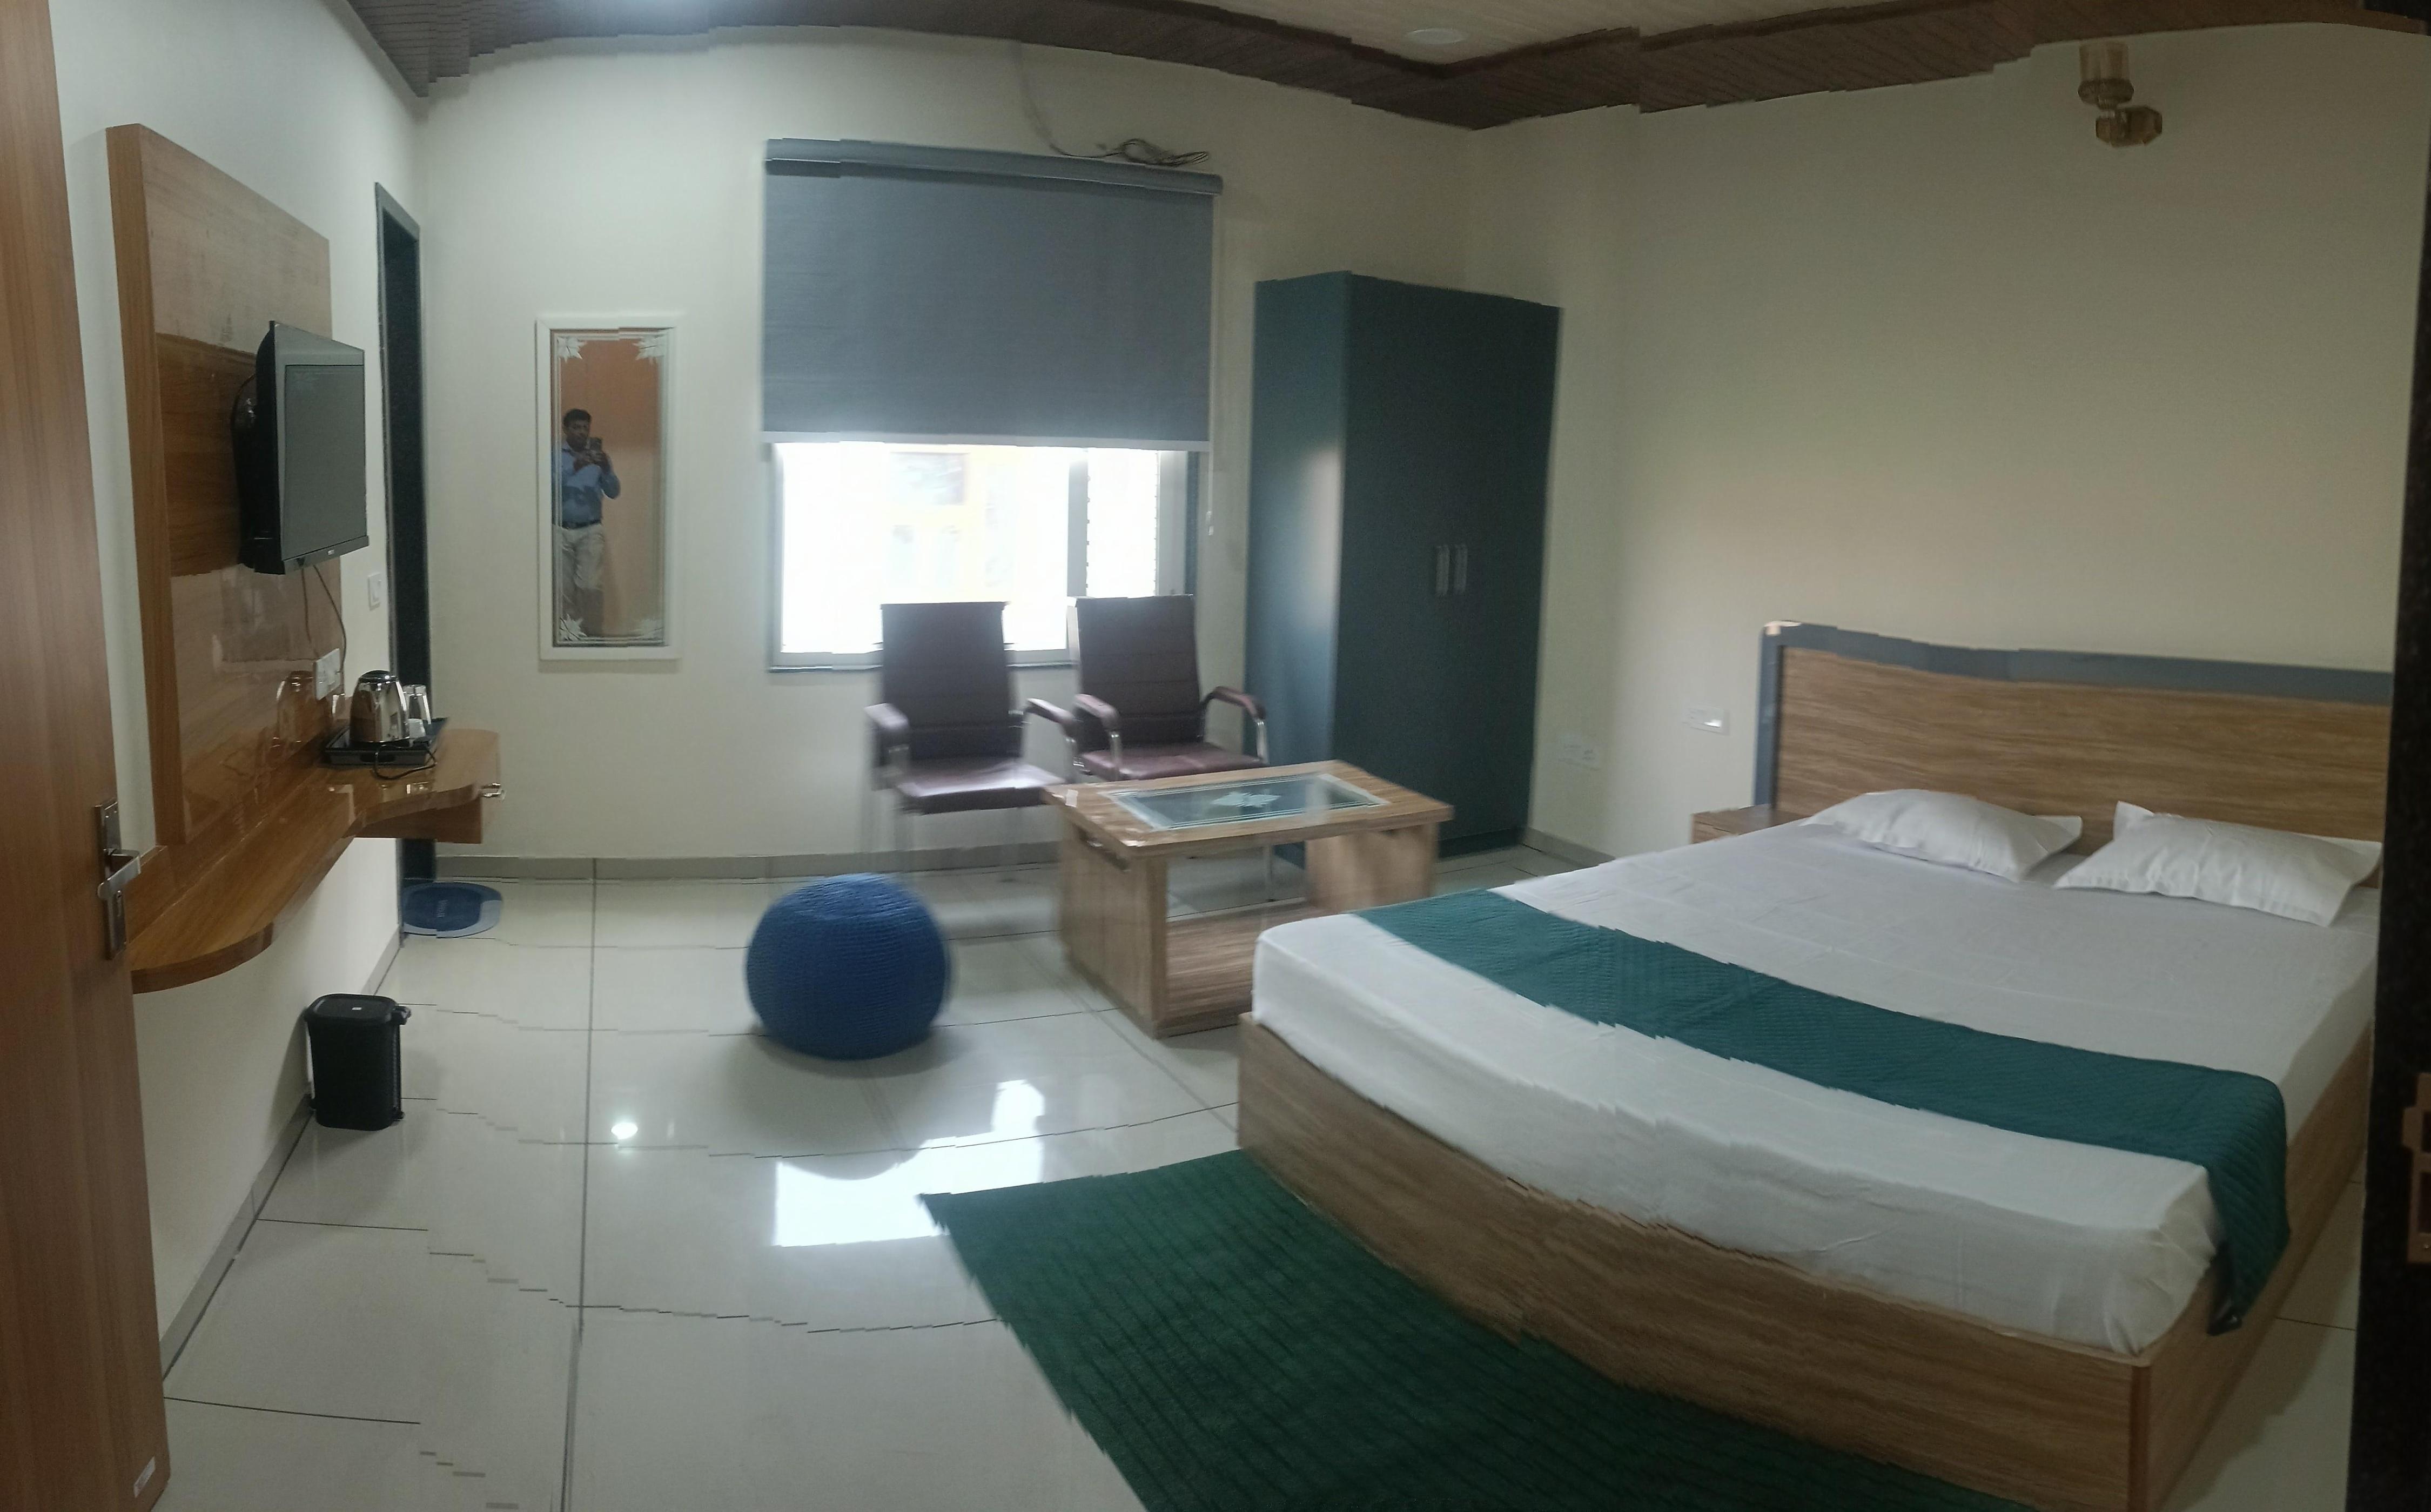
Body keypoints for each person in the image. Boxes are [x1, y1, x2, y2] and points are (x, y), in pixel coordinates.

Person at [553, 408, 620, 641]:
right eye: (576, 427)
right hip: (560, 529)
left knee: (590, 586)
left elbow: (614, 492)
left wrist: (607, 469)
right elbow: (547, 484)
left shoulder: (600, 458)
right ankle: (568, 638)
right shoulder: (554, 456)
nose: (581, 432)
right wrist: (575, 466)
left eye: (585, 428)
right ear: (566, 429)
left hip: (591, 529)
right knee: (563, 590)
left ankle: (593, 638)